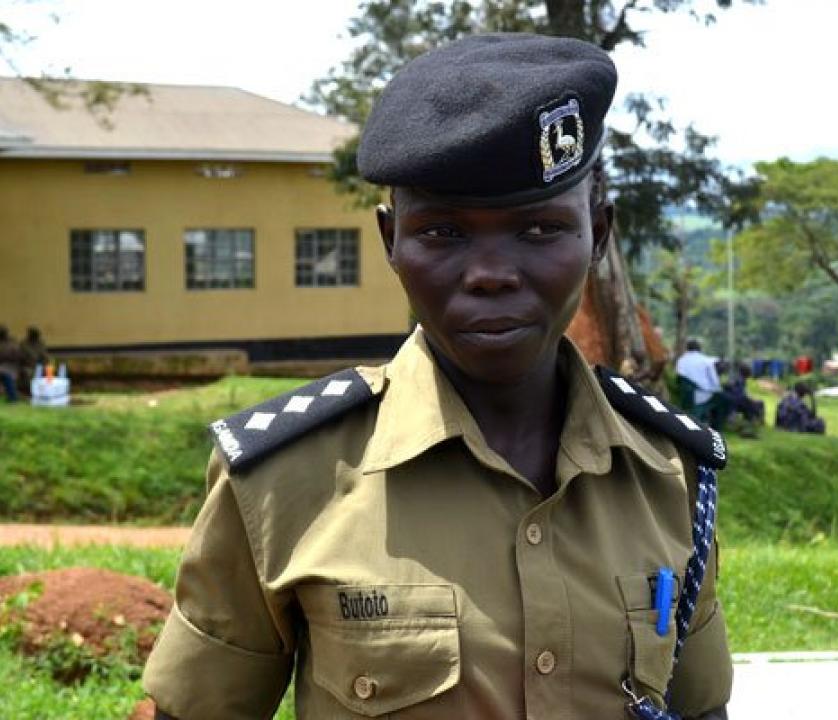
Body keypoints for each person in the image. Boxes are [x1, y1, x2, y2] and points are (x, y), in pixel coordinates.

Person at [144, 33, 732, 720]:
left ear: (598, 235)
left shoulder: (668, 474)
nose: (490, 273)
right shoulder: (281, 482)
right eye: (443, 233)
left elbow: (698, 710)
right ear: (390, 240)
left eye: (539, 230)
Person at [18, 326, 49, 396]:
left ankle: (44, 391)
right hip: (27, 366)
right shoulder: (24, 344)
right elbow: (20, 357)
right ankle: (30, 392)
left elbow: (45, 356)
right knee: (28, 372)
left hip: (39, 366)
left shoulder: (41, 343)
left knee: (47, 370)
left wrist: (43, 364)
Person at [0, 325, 21, 402]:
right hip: (3, 366)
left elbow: (17, 356)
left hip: (11, 366)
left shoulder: (12, 343)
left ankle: (13, 397)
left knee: (6, 375)